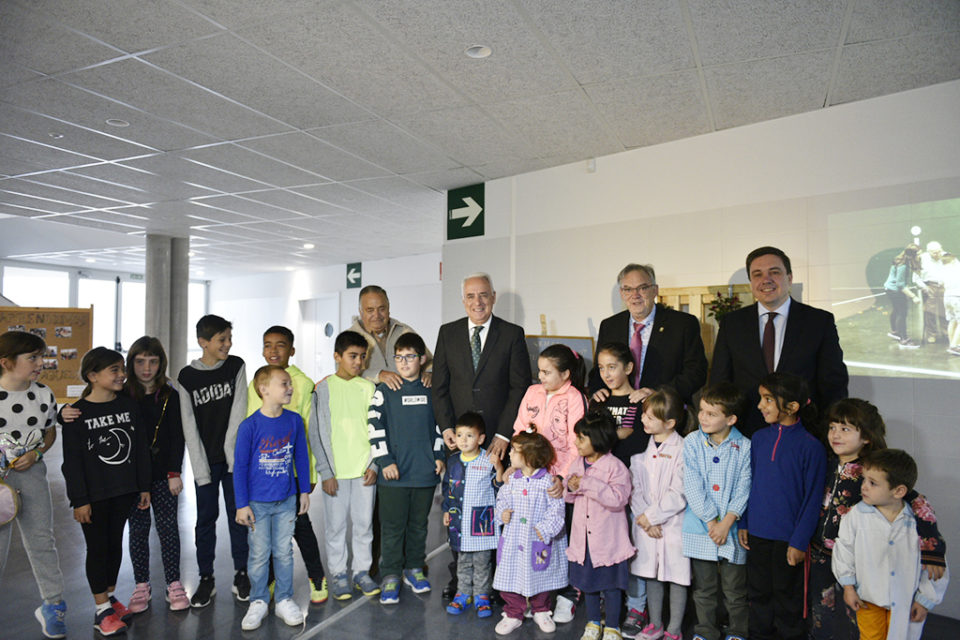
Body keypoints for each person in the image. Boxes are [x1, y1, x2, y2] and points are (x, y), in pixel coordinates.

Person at [809, 398, 947, 640]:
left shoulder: (873, 470)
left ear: (867, 437)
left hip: (861, 564)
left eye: (845, 429)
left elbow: (918, 504)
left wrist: (932, 548)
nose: (835, 435)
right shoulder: (826, 462)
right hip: (821, 555)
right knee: (822, 618)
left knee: (858, 622)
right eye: (832, 427)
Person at [432, 272, 531, 598]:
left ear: (493, 296)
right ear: (463, 300)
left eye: (484, 295)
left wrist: (503, 434)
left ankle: (493, 582)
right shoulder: (448, 333)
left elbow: (520, 387)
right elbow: (441, 387)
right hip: (459, 442)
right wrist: (447, 428)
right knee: (460, 511)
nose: (478, 302)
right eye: (471, 296)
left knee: (493, 511)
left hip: (495, 442)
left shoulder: (512, 334)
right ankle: (460, 579)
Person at [711, 246, 848, 437]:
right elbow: (720, 381)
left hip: (803, 433)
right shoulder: (732, 324)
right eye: (757, 274)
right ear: (751, 282)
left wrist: (829, 430)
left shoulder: (818, 321)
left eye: (774, 272)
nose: (766, 280)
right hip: (746, 432)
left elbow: (833, 383)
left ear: (789, 278)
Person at [60, 347, 150, 636]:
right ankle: (101, 611)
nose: (122, 375)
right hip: (94, 496)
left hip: (124, 491)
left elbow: (140, 450)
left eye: (122, 368)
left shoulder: (128, 405)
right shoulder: (76, 414)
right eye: (114, 370)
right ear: (93, 376)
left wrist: (144, 485)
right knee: (97, 549)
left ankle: (110, 598)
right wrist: (79, 500)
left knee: (114, 546)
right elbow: (72, 464)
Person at [737, 373, 826, 640]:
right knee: (758, 594)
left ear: (792, 406)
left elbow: (812, 500)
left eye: (767, 400)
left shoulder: (811, 447)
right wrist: (745, 522)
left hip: (789, 540)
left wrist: (799, 541)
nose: (760, 406)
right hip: (758, 534)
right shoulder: (759, 438)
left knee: (788, 600)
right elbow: (749, 484)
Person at [245, 326, 327, 605]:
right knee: (264, 533)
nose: (273, 351)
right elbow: (249, 427)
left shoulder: (302, 384)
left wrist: (309, 475)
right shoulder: (258, 381)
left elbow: (309, 431)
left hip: (291, 474)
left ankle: (316, 576)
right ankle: (268, 579)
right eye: (268, 345)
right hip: (263, 477)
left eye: (280, 345)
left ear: (292, 350)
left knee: (301, 527)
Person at [367, 332, 445, 604]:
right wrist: (384, 461)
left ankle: (414, 568)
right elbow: (374, 427)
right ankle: (390, 574)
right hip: (393, 476)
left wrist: (439, 455)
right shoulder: (384, 390)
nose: (403, 362)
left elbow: (439, 425)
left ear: (422, 359)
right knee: (392, 527)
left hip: (424, 473)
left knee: (418, 526)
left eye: (410, 357)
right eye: (399, 357)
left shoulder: (431, 389)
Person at [832, 449, 943, 640]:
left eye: (873, 483)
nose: (864, 487)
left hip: (905, 601)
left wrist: (925, 600)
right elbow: (844, 551)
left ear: (899, 491)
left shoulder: (921, 524)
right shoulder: (856, 515)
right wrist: (848, 586)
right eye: (864, 480)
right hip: (868, 599)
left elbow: (935, 567)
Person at [177, 314, 249, 607]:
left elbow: (239, 411)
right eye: (222, 340)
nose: (228, 344)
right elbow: (188, 426)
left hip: (234, 461)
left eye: (230, 338)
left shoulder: (236, 366)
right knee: (205, 520)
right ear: (203, 342)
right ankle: (206, 578)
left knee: (240, 517)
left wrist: (233, 457)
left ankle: (241, 573)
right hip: (205, 463)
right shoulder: (186, 377)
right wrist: (200, 468)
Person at [0, 331, 68, 639]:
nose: (41, 363)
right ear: (6, 362)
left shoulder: (43, 394)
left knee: (42, 540)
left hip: (33, 477)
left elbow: (50, 432)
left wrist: (37, 452)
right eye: (32, 358)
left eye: (41, 356)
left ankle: (53, 606)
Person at [235, 365, 311, 630]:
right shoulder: (249, 426)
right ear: (263, 389)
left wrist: (304, 491)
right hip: (257, 503)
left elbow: (301, 457)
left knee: (284, 552)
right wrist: (241, 504)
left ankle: (283, 600)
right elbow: (240, 467)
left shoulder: (294, 421)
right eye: (284, 384)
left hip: (286, 500)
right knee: (258, 554)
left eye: (290, 384)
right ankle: (258, 601)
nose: (290, 388)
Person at [307, 330, 379, 600]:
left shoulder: (369, 388)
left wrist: (374, 465)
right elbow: (316, 432)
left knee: (364, 525)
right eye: (352, 356)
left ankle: (362, 572)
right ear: (337, 356)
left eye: (363, 356)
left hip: (363, 472)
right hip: (335, 474)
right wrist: (326, 471)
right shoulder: (322, 388)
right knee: (336, 527)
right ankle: (338, 573)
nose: (358, 362)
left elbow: (377, 430)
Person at [121, 337, 189, 612]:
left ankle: (173, 582)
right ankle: (141, 584)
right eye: (140, 362)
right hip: (133, 477)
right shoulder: (122, 394)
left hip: (163, 474)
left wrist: (175, 472)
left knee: (168, 528)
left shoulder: (170, 396)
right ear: (131, 363)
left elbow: (177, 437)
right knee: (138, 531)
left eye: (152, 361)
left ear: (161, 363)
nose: (146, 368)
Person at [681, 382, 751, 640]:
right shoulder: (691, 442)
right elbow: (692, 485)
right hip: (701, 528)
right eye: (702, 411)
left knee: (735, 589)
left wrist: (727, 522)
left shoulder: (744, 446)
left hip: (731, 530)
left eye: (711, 413)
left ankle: (737, 632)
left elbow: (744, 487)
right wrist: (712, 522)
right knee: (704, 588)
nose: (703, 417)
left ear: (730, 418)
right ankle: (705, 631)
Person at [591, 341, 651, 634]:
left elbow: (641, 440)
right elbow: (593, 441)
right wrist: (616, 434)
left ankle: (637, 606)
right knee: (607, 544)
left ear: (628, 368)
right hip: (603, 488)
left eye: (612, 367)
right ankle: (608, 598)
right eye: (601, 368)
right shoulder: (599, 402)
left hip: (635, 485)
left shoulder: (642, 401)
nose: (606, 373)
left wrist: (614, 436)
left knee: (633, 546)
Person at [588, 263, 707, 405]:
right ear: (621, 293)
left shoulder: (683, 324)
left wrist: (658, 393)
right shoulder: (610, 326)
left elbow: (696, 373)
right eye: (628, 289)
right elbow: (598, 370)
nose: (635, 295)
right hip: (620, 410)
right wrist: (597, 389)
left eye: (642, 288)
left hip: (665, 410)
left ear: (655, 290)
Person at [565, 410, 635, 640]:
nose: (576, 442)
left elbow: (618, 500)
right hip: (583, 541)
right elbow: (569, 495)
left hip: (607, 542)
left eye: (581, 438)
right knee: (588, 584)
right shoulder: (577, 463)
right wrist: (570, 487)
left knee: (611, 586)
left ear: (597, 440)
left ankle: (612, 626)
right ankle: (593, 622)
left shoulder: (615, 467)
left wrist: (587, 483)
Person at [629, 388, 690, 640]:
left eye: (650, 417)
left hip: (673, 525)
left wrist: (653, 516)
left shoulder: (683, 448)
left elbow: (680, 491)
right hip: (647, 525)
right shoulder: (640, 449)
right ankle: (655, 623)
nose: (644, 420)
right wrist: (645, 518)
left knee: (676, 576)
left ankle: (673, 629)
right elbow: (635, 488)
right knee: (651, 573)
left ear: (670, 423)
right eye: (644, 415)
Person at [492, 431, 567, 635]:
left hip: (537, 539)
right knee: (509, 576)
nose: (510, 455)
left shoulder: (548, 482)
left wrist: (545, 529)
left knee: (540, 576)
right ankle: (513, 612)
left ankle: (541, 609)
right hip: (514, 539)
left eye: (514, 451)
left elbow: (557, 510)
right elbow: (502, 501)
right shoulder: (512, 481)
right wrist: (503, 513)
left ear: (529, 457)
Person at [441, 412, 503, 618]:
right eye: (459, 435)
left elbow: (499, 488)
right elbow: (447, 488)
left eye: (469, 436)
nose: (463, 440)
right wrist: (446, 510)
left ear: (481, 439)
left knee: (482, 561)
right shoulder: (452, 462)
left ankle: (482, 596)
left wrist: (499, 467)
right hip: (460, 521)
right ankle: (463, 593)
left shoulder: (488, 460)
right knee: (463, 560)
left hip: (482, 522)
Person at [513, 343, 588, 478]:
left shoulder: (575, 398)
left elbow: (576, 443)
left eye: (546, 372)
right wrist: (517, 465)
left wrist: (562, 476)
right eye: (539, 370)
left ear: (565, 374)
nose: (540, 376)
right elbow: (519, 430)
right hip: (528, 470)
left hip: (559, 475)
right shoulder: (532, 391)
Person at [349, 285, 433, 389]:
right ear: (361, 312)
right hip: (367, 402)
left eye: (382, 309)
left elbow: (429, 361)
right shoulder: (349, 338)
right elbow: (345, 373)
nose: (377, 315)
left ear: (388, 309)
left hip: (404, 398)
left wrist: (430, 373)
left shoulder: (404, 331)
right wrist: (378, 375)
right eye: (370, 310)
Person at [882, 244, 921, 347]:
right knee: (902, 313)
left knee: (896, 310)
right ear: (911, 255)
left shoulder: (903, 260)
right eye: (918, 254)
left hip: (890, 289)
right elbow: (900, 285)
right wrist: (913, 296)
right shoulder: (903, 265)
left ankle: (895, 332)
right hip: (894, 291)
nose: (920, 256)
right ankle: (904, 339)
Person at [914, 241, 948, 344]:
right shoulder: (921, 258)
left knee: (945, 311)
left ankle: (946, 333)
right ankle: (932, 334)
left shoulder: (947, 256)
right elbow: (916, 277)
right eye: (934, 252)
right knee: (929, 312)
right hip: (929, 286)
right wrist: (924, 287)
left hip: (944, 286)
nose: (937, 254)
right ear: (928, 251)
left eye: (939, 251)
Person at [941, 252, 960, 354]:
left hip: (947, 297)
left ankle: (952, 344)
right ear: (953, 260)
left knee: (952, 321)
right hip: (957, 297)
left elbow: (941, 283)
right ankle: (954, 346)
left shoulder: (942, 270)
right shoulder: (957, 268)